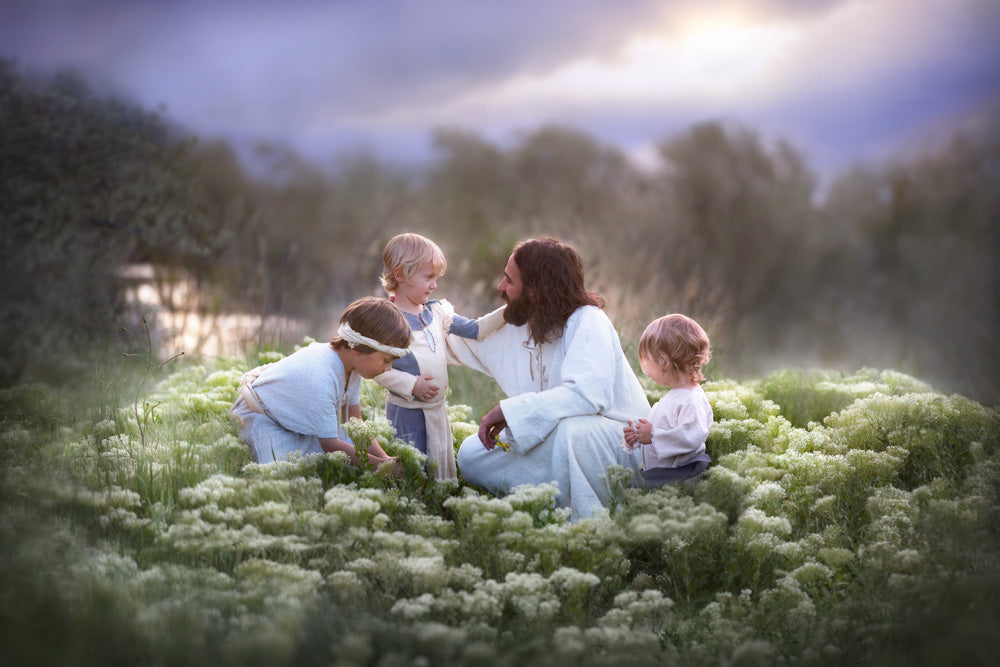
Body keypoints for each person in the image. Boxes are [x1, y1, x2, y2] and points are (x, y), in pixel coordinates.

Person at [448, 237, 651, 520]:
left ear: (534, 291)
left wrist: (509, 411)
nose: (500, 287)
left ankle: (587, 525)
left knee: (573, 431)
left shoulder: (588, 320)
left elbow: (587, 395)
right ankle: (548, 504)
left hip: (622, 446)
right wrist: (411, 314)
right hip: (559, 444)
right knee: (472, 453)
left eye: (509, 280)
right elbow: (454, 341)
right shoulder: (523, 323)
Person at [373, 233, 505, 479]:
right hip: (406, 412)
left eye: (436, 278)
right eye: (428, 277)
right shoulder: (388, 319)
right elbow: (377, 370)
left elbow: (476, 330)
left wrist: (510, 310)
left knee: (438, 467)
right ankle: (412, 512)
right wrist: (412, 385)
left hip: (436, 410)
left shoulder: (436, 312)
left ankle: (439, 507)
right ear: (399, 275)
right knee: (411, 467)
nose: (434, 285)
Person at [230, 296, 411, 467]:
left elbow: (353, 420)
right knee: (283, 472)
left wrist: (384, 459)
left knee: (347, 453)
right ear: (358, 349)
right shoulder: (320, 376)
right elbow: (330, 445)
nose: (388, 368)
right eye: (386, 360)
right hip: (265, 417)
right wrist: (379, 466)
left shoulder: (352, 367)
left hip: (296, 417)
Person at [623, 314, 713, 486]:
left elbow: (691, 437)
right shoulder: (675, 395)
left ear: (663, 361)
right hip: (664, 478)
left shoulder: (691, 400)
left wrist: (653, 436)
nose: (647, 370)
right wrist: (637, 437)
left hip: (680, 479)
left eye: (647, 363)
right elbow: (662, 434)